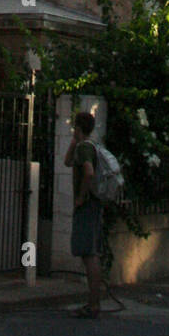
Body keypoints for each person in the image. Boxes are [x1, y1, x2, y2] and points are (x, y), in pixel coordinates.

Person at [64, 110, 103, 317]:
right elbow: (67, 162)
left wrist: (80, 197)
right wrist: (74, 140)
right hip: (92, 205)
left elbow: (88, 172)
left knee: (89, 254)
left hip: (86, 206)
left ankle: (94, 303)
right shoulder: (85, 146)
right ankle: (93, 302)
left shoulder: (85, 149)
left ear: (78, 127)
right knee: (90, 252)